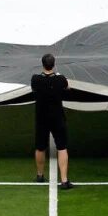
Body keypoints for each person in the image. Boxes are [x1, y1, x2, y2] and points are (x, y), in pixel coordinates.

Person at [32, 53, 72, 189]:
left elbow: (34, 89)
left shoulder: (35, 79)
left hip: (42, 117)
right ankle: (64, 180)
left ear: (43, 64)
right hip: (57, 117)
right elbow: (68, 87)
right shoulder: (60, 79)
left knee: (40, 146)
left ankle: (39, 175)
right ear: (53, 64)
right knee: (62, 147)